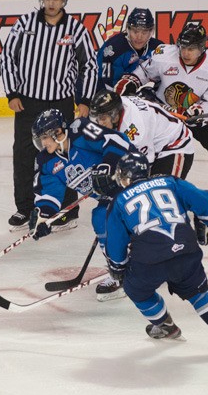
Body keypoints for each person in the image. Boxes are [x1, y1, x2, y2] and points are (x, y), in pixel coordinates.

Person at [114, 22, 208, 203]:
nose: (185, 52)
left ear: (202, 48)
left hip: (196, 116)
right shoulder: (164, 55)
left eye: (191, 49)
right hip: (162, 112)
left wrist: (199, 110)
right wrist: (131, 83)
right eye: (183, 47)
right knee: (148, 147)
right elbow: (142, 73)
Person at [103, 151, 208, 346]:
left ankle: (166, 326)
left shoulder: (119, 201)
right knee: (197, 289)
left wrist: (118, 266)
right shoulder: (170, 181)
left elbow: (116, 242)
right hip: (186, 249)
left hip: (149, 260)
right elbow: (203, 200)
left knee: (136, 289)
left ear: (124, 176)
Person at [1, 0, 98, 232]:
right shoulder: (25, 23)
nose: (52, 3)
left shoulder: (75, 29)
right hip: (28, 103)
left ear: (64, 0)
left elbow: (89, 65)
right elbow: (7, 56)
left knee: (63, 157)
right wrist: (12, 92)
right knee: (24, 155)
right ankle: (25, 208)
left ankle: (67, 209)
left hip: (60, 104)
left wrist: (84, 99)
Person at [28, 109, 135, 301]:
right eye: (41, 139)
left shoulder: (81, 131)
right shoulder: (46, 161)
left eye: (45, 137)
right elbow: (49, 192)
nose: (43, 143)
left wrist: (109, 165)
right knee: (102, 217)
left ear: (59, 132)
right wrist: (44, 216)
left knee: (105, 217)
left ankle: (128, 269)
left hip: (127, 179)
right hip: (107, 195)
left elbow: (117, 141)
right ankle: (122, 269)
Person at [89, 89, 195, 179]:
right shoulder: (120, 104)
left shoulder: (135, 130)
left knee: (164, 189)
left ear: (114, 115)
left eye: (103, 118)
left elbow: (143, 165)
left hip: (175, 144)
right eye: (97, 118)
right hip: (154, 139)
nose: (100, 123)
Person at [96, 7, 163, 91]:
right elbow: (104, 85)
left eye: (144, 32)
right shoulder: (113, 48)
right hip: (115, 97)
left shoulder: (159, 49)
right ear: (128, 29)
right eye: (135, 31)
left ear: (151, 32)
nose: (139, 37)